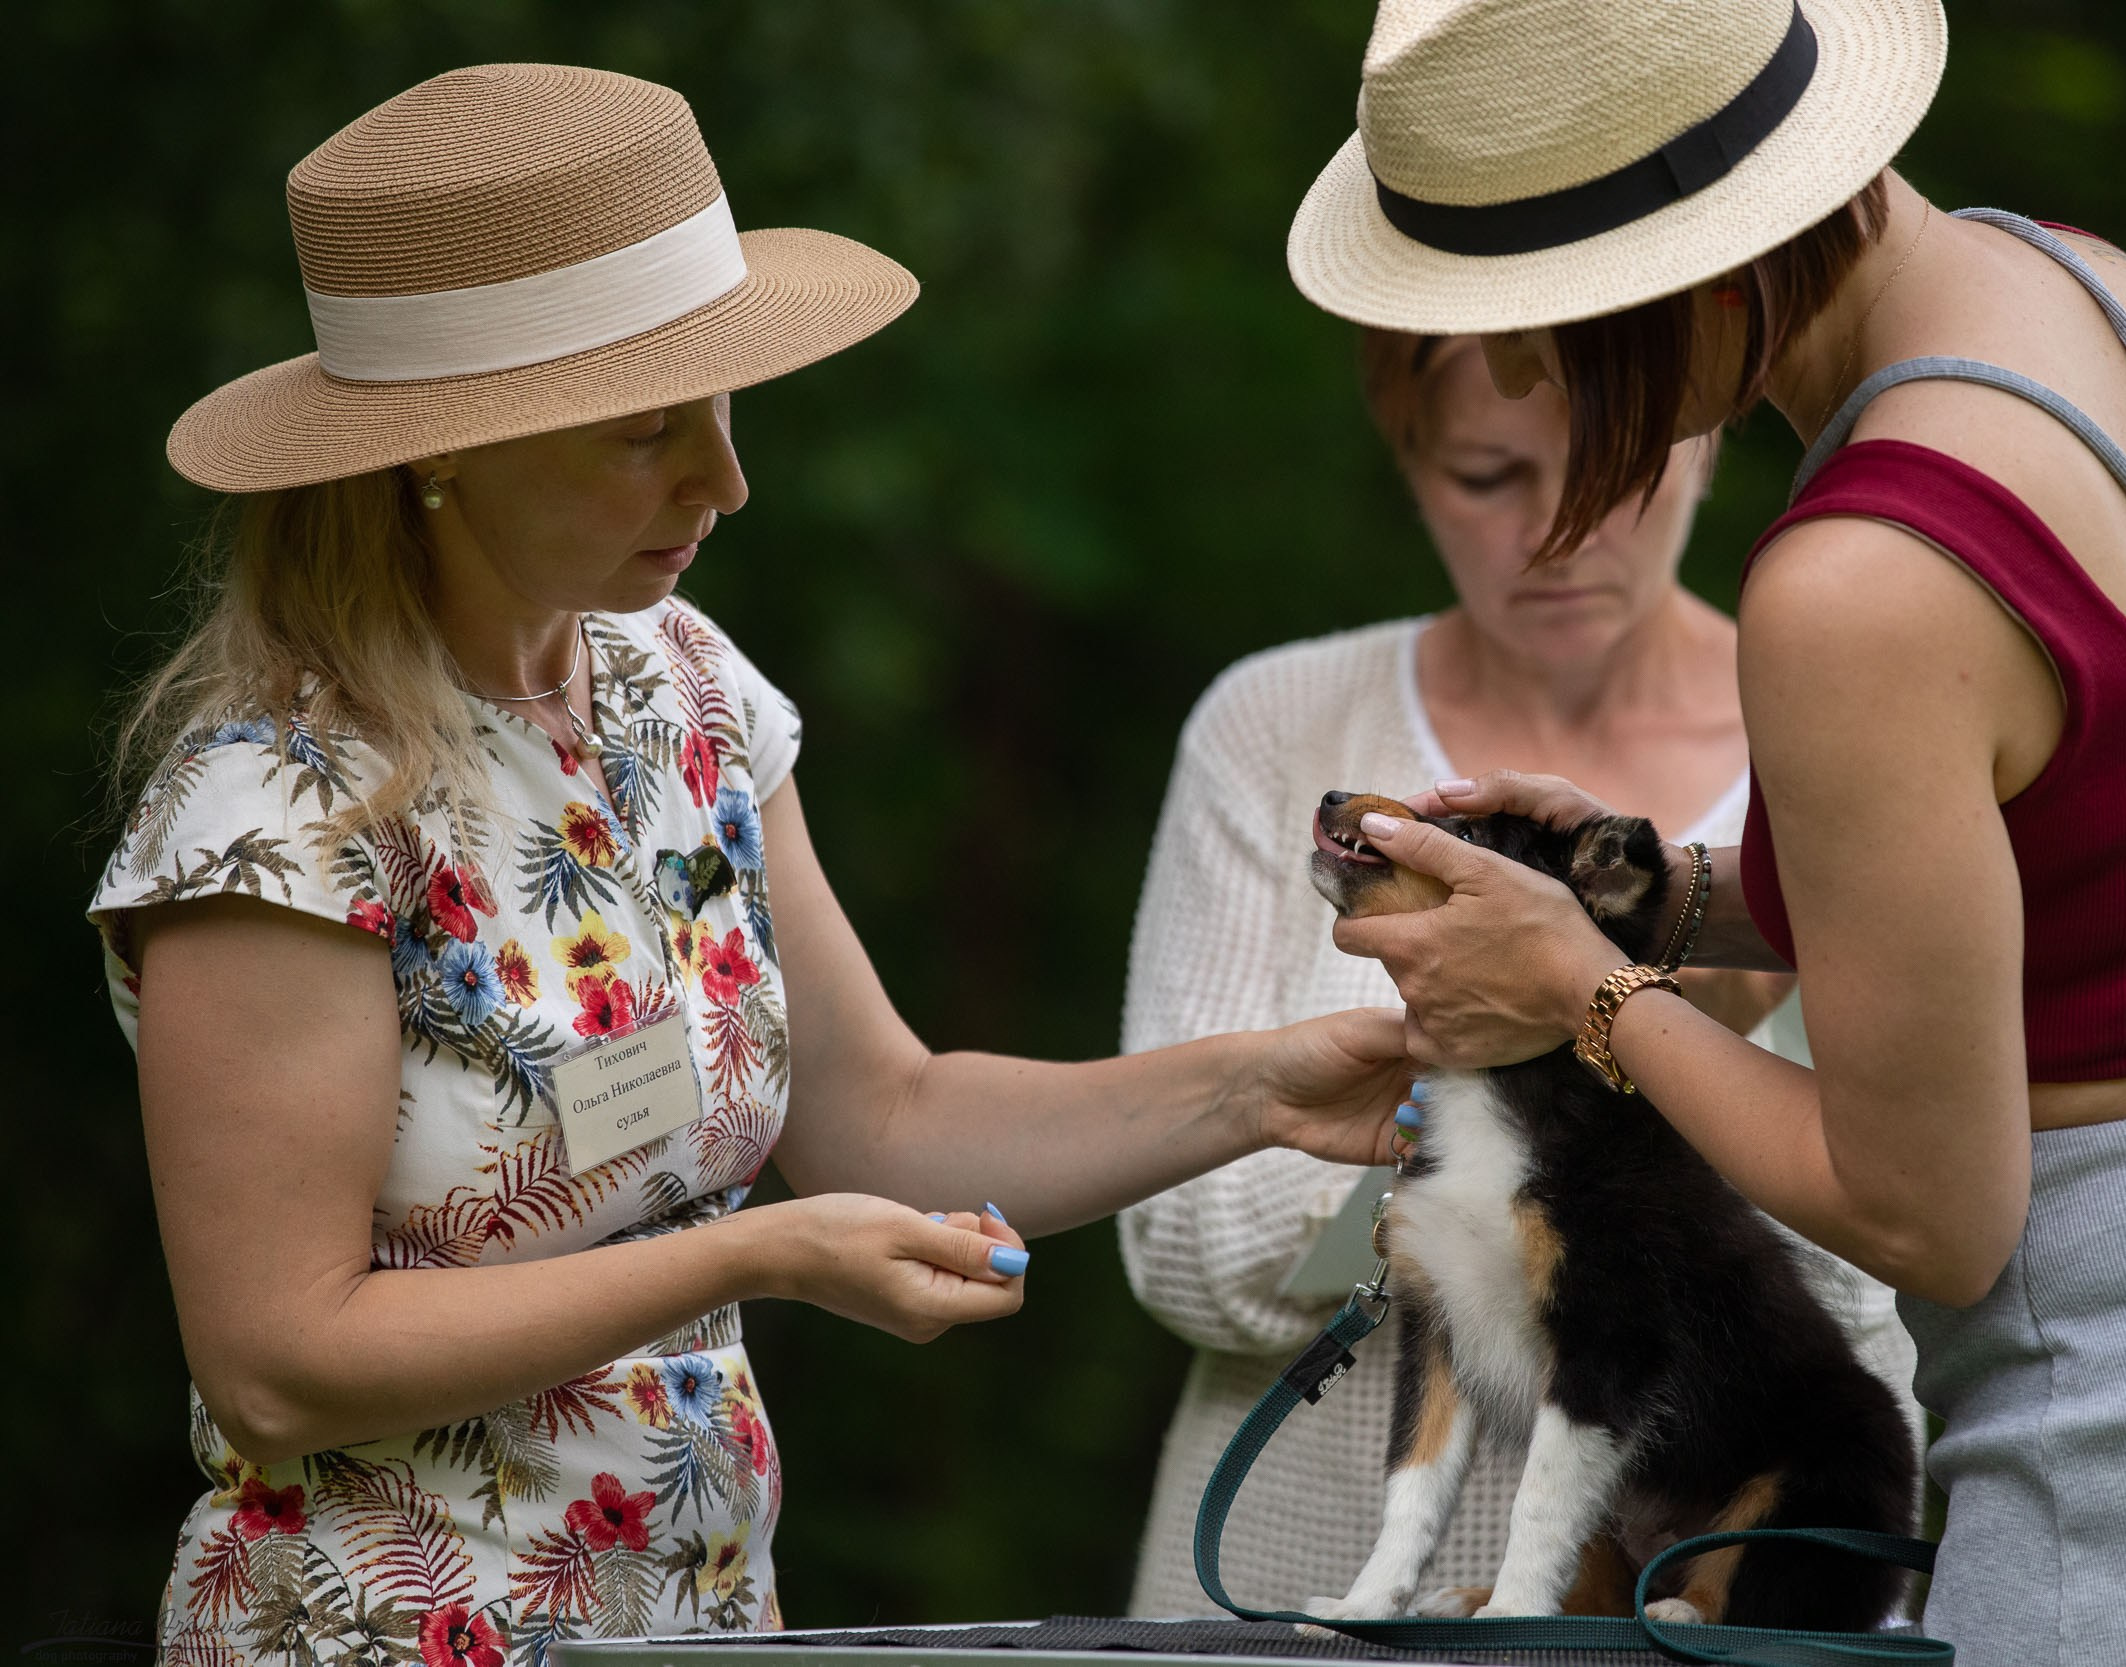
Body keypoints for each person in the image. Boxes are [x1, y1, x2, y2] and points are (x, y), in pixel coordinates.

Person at [93, 65, 1409, 1665]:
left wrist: (1263, 1088)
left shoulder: (682, 686)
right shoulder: (273, 819)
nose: (724, 480)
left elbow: (888, 1120)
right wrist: (756, 1255)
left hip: (706, 1626)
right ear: (440, 451)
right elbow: (277, 1361)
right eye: (647, 430)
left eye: (723, 409)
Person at [1279, 1, 2126, 1662]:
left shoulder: (1856, 584)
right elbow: (2085, 871)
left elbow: (1931, 1210)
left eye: (1551, 326)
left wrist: (1582, 991)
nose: (1544, 387)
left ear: (1693, 267)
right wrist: (1663, 899)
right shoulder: (2080, 290)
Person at [1117, 330, 1919, 1616]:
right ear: (1412, 457)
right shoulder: (1274, 727)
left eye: (1613, 469)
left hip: (1722, 1593)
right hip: (1293, 1583)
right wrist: (1492, 1151)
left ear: (1705, 439)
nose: (1553, 529)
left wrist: (1671, 1063)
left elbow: (1927, 1243)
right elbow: (1182, 1247)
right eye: (1488, 476)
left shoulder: (1854, 726)